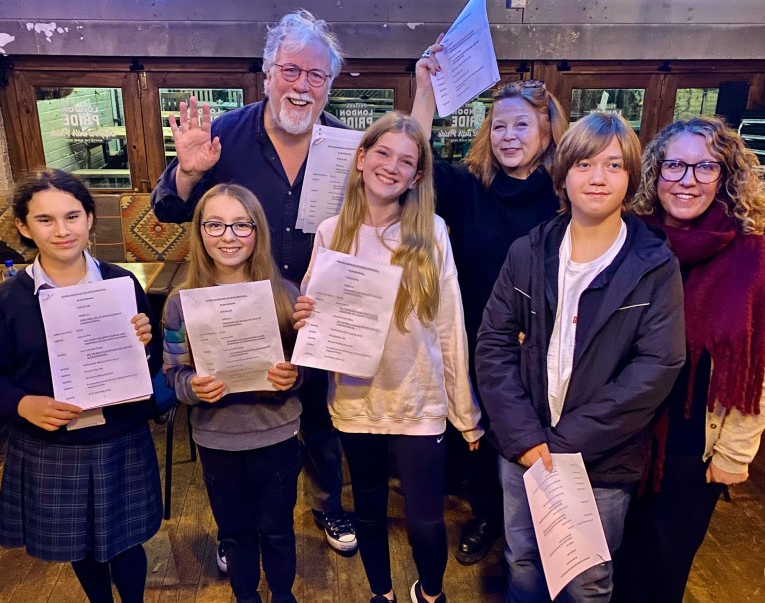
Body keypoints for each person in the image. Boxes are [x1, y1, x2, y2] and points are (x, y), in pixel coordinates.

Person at [150, 9, 357, 558]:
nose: (303, 85)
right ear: (267, 73)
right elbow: (168, 208)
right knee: (233, 417)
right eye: (292, 70)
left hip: (312, 305)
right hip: (233, 310)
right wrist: (189, 172)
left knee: (318, 411)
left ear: (329, 85)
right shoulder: (224, 135)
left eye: (317, 76)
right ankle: (233, 531)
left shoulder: (345, 144)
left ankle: (327, 504)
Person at [475, 112, 686, 602]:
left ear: (631, 178)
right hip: (523, 450)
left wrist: (566, 443)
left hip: (602, 459)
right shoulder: (527, 253)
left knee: (587, 582)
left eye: (613, 165)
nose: (597, 177)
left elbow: (657, 368)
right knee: (522, 561)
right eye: (585, 163)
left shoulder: (653, 266)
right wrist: (527, 439)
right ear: (563, 173)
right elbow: (493, 346)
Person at [293, 112, 483, 603]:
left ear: (417, 176)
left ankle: (431, 593)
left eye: (406, 161)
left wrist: (466, 413)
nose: (391, 167)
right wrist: (304, 317)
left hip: (418, 400)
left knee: (424, 520)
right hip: (355, 400)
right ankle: (382, 593)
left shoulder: (431, 234)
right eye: (382, 153)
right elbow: (315, 322)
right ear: (360, 159)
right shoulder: (331, 231)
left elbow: (450, 326)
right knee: (370, 512)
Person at [411, 37, 568, 564]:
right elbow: (416, 158)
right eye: (498, 125)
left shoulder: (567, 195)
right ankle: (488, 516)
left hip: (546, 341)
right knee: (482, 433)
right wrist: (424, 93)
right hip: (478, 336)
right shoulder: (469, 187)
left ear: (548, 132)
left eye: (521, 124)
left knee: (534, 434)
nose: (508, 135)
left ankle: (540, 523)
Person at [0, 169, 162, 603]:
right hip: (52, 445)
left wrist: (145, 342)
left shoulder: (122, 283)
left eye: (72, 216)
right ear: (24, 227)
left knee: (126, 541)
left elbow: (150, 367)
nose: (62, 230)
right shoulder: (8, 299)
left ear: (89, 219)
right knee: (79, 547)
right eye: (45, 220)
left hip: (118, 435)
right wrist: (24, 404)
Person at [611, 116, 765, 603]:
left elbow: (757, 364)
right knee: (608, 559)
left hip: (692, 441)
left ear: (727, 175)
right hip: (620, 430)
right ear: (656, 174)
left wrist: (736, 452)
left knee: (663, 566)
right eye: (674, 165)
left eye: (705, 168)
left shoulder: (753, 253)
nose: (687, 180)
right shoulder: (627, 239)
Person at [162, 183, 303, 603]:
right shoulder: (179, 304)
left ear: (258, 231)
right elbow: (171, 371)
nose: (229, 236)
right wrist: (191, 387)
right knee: (236, 532)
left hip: (275, 433)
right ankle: (245, 596)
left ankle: (283, 595)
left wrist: (294, 376)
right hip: (216, 438)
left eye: (242, 225)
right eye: (216, 225)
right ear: (200, 232)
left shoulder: (287, 297)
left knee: (278, 530)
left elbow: (307, 367)